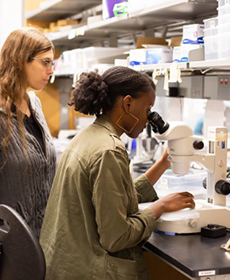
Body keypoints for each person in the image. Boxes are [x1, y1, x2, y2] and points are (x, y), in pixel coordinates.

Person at [39, 66, 195, 280]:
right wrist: (161, 207)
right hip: (87, 270)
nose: (149, 119)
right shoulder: (109, 151)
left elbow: (117, 198)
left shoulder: (89, 136)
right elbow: (117, 236)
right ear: (128, 103)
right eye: (147, 109)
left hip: (63, 264)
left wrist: (162, 163)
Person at [0, 27, 57, 280]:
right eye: (46, 62)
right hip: (3, 245)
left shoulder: (34, 103)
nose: (51, 70)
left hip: (35, 235)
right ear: (21, 61)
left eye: (53, 62)